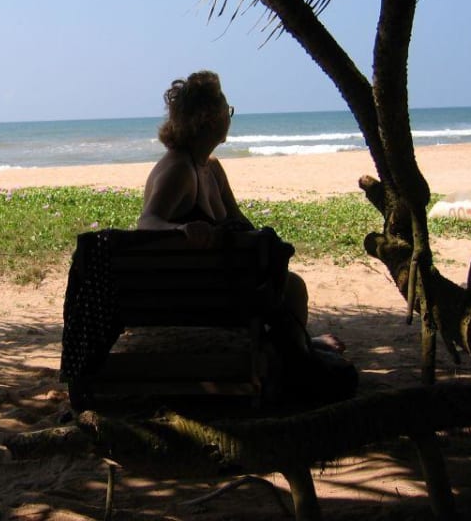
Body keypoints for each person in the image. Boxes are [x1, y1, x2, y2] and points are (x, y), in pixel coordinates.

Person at [138, 70, 353, 401]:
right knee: (292, 287)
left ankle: (302, 348)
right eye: (227, 110)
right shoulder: (179, 170)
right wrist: (180, 230)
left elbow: (240, 221)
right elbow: (146, 221)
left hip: (219, 283)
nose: (230, 117)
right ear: (209, 118)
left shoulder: (210, 167)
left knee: (282, 281)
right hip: (202, 294)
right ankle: (300, 361)